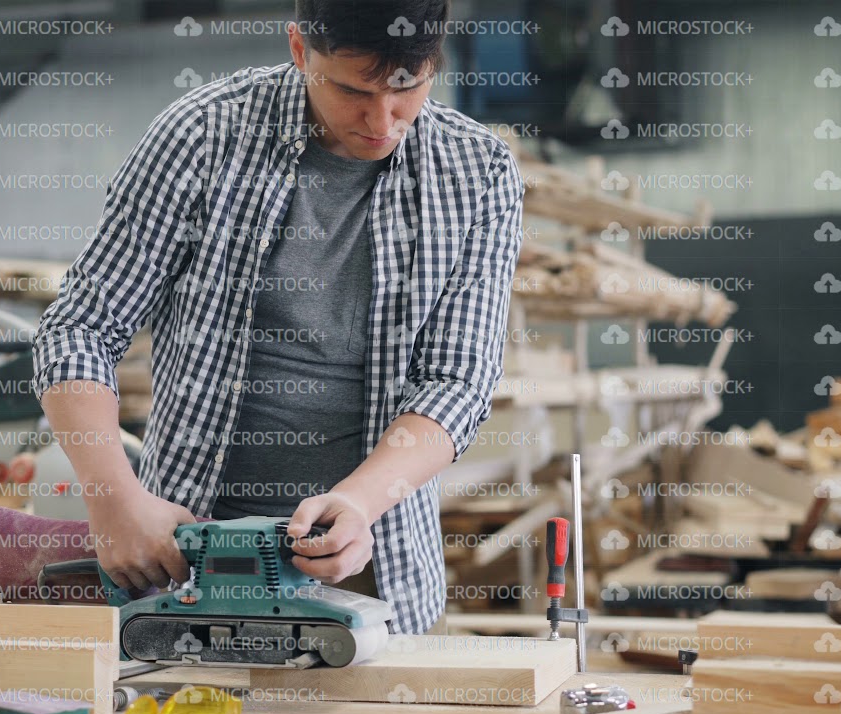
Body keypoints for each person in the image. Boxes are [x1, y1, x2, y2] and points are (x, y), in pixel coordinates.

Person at [32, 0, 524, 635]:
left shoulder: (476, 173)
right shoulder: (202, 137)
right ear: (299, 49)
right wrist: (115, 499)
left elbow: (456, 380)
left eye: (408, 87)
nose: (381, 120)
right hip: (182, 552)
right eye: (352, 89)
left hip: (370, 563)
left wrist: (359, 501)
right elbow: (81, 328)